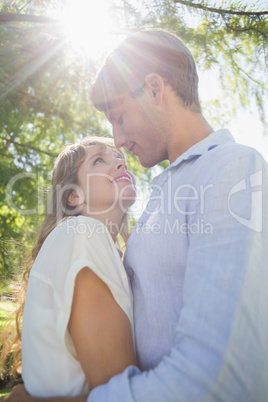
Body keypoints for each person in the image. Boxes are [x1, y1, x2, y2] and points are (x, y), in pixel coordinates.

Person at [4, 28, 268, 402]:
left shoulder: (232, 168)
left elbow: (220, 380)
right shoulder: (162, 198)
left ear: (156, 89)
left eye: (119, 117)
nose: (119, 140)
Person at [1, 136, 137, 399]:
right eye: (100, 160)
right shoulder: (82, 233)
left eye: (120, 158)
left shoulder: (94, 245)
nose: (121, 163)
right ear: (74, 196)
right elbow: (119, 393)